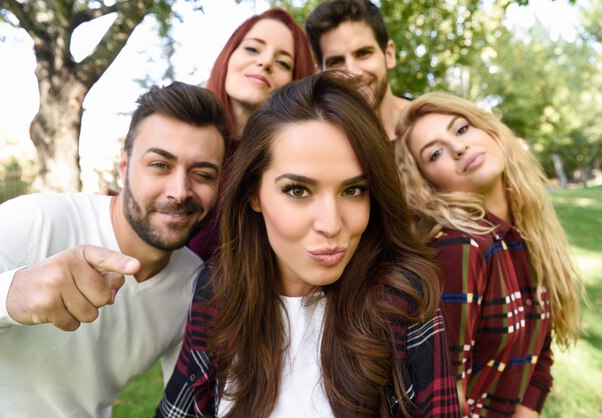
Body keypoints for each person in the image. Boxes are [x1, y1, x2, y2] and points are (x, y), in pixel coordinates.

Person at [155, 73, 459, 417]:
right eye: (298, 190)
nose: (331, 224)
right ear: (254, 192)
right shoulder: (217, 290)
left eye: (353, 190)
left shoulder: (404, 301)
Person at [0, 81, 227, 417]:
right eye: (159, 165)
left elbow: (184, 401)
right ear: (124, 166)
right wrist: (6, 296)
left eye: (202, 174)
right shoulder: (37, 220)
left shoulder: (196, 285)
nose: (180, 190)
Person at [393, 92, 584, 417]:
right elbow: (446, 399)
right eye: (435, 153)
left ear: (490, 131)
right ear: (427, 184)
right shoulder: (460, 250)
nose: (458, 148)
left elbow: (538, 359)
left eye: (462, 129)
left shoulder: (528, 236)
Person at [187, 7, 316, 260]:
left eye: (283, 63)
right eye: (252, 48)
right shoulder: (181, 132)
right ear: (228, 56)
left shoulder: (293, 168)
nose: (265, 62)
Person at [305, 0, 409, 140]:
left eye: (363, 53)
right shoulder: (320, 145)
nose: (352, 72)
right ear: (319, 73)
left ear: (389, 55)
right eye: (336, 62)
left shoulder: (436, 122)